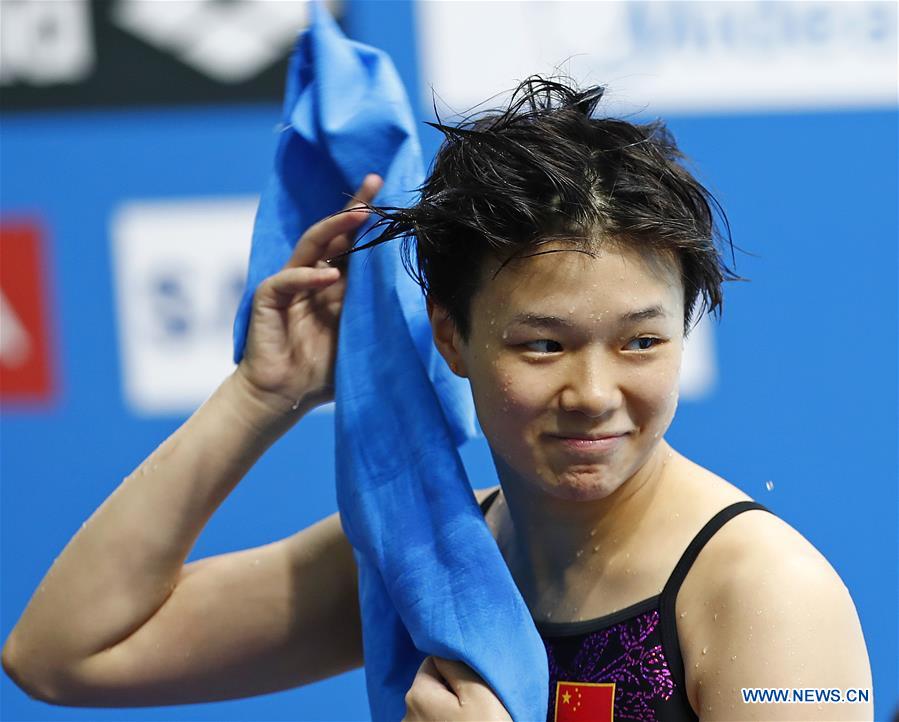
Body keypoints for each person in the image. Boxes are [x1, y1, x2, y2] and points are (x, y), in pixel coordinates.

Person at [2, 78, 872, 722]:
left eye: (641, 342)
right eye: (543, 344)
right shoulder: (432, 562)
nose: (594, 393)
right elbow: (61, 655)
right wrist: (258, 397)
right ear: (449, 336)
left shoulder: (763, 590)